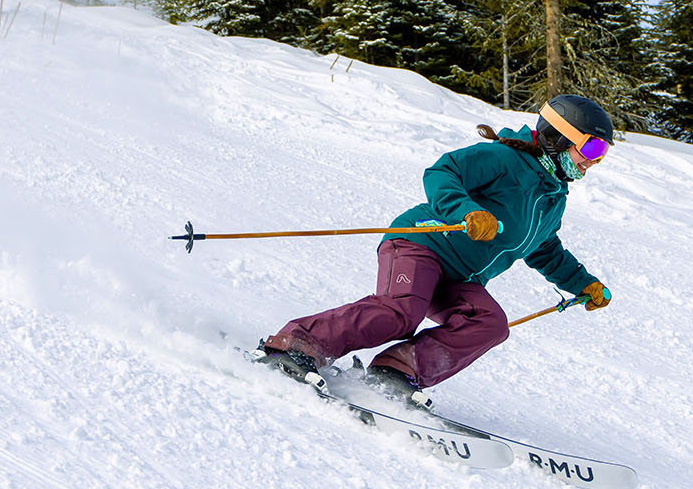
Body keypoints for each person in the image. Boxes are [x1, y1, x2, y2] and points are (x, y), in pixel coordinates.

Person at [257, 94, 617, 405]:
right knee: (400, 313)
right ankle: (297, 345)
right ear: (557, 138)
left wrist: (582, 284)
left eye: (601, 154)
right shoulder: (505, 161)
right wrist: (467, 212)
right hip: (421, 243)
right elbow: (443, 172)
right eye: (591, 148)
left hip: (461, 276)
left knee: (490, 324)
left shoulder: (552, 197)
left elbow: (545, 249)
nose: (594, 161)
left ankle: (396, 371)